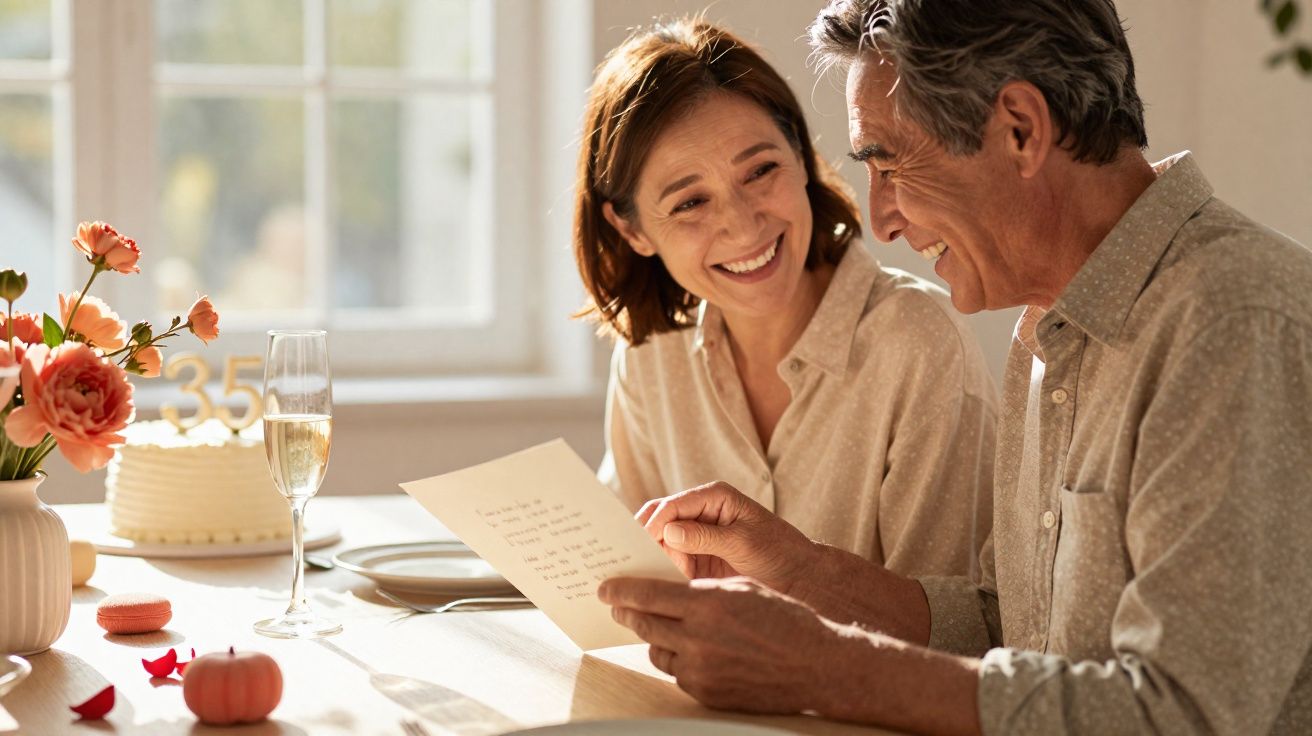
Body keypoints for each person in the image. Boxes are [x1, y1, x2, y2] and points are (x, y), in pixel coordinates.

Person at [597, 1, 1312, 734]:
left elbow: (1184, 716)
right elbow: (1006, 631)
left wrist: (823, 667)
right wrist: (798, 568)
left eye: (890, 164)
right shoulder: (1051, 334)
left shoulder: (1234, 322)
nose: (881, 222)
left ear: (1020, 130)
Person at [573, 18, 997, 576]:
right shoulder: (651, 356)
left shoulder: (918, 344)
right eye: (690, 203)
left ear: (800, 156)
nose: (743, 225)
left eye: (761, 171)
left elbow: (949, 619)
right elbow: (627, 573)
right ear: (632, 230)